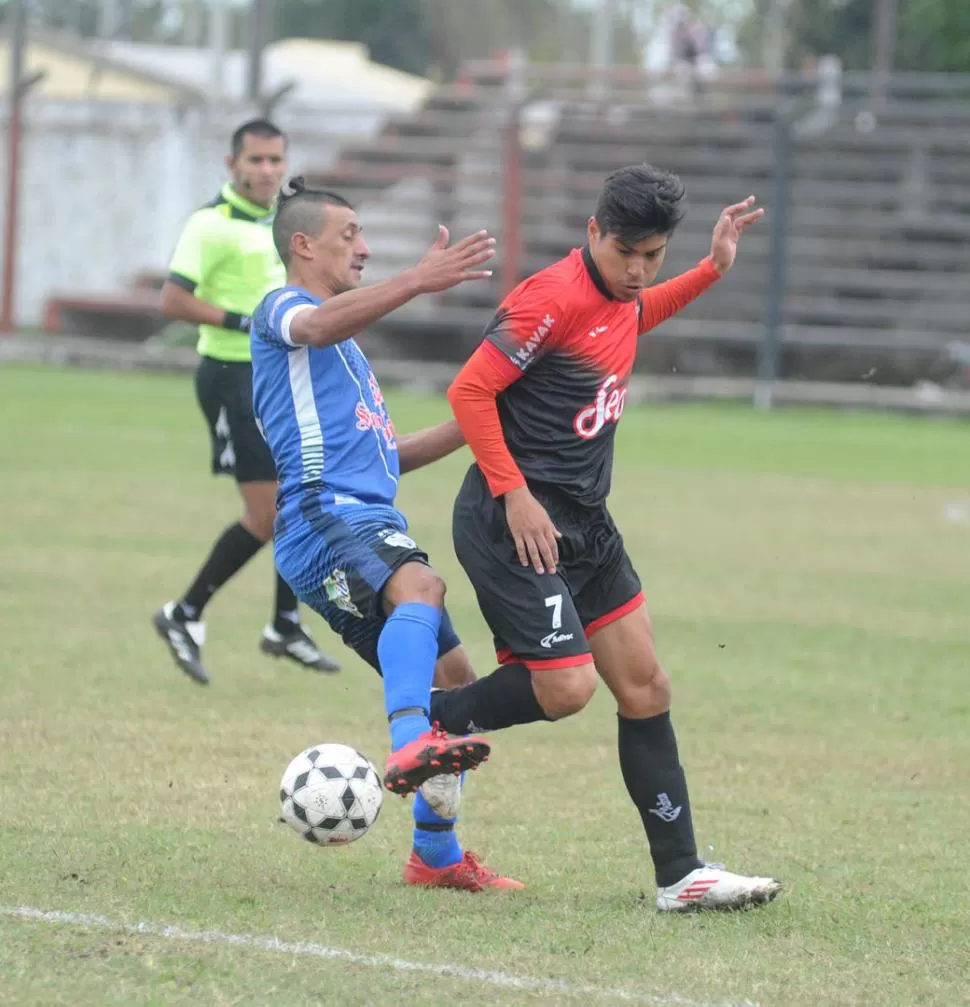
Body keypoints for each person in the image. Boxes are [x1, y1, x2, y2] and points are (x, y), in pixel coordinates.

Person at [429, 163, 783, 911]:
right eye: (627, 253)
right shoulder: (549, 297)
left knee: (646, 685)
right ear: (593, 232)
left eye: (653, 255)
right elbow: (469, 390)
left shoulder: (618, 293)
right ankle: (437, 718)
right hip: (512, 521)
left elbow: (634, 313)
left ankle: (680, 874)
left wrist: (710, 269)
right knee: (567, 687)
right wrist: (514, 492)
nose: (639, 270)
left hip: (587, 521)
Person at [250, 176, 523, 892]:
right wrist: (417, 279)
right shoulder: (285, 309)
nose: (364, 248)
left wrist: (487, 414)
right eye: (350, 236)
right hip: (322, 515)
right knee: (421, 585)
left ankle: (434, 857)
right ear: (302, 245)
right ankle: (408, 742)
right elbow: (313, 325)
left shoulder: (347, 358)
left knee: (456, 681)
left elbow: (390, 455)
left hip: (364, 518)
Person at [151, 119, 338, 685]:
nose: (266, 171)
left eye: (275, 160)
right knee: (269, 512)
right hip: (232, 376)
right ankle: (185, 613)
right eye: (255, 160)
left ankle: (283, 622)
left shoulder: (286, 221)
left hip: (277, 376)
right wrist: (241, 320)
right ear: (232, 164)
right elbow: (173, 300)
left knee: (299, 498)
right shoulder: (210, 224)